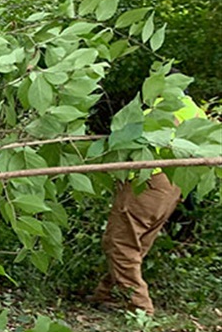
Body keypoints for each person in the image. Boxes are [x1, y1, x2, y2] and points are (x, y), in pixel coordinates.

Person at [88, 94, 206, 313]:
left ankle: (140, 307)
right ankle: (107, 294)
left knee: (120, 244)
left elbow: (125, 138)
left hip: (148, 182)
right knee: (136, 244)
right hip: (173, 185)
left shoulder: (157, 111)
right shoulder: (197, 113)